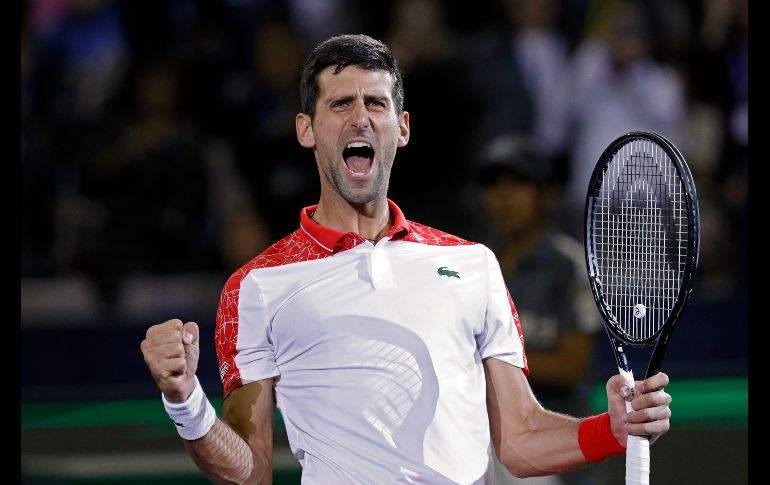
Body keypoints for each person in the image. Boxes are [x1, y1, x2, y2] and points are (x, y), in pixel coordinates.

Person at [140, 34, 671, 484]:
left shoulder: (474, 265)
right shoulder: (257, 285)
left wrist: (612, 430)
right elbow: (249, 469)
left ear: (403, 127)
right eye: (340, 104)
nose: (360, 120)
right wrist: (187, 401)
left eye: (376, 104)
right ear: (307, 129)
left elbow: (519, 438)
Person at [476, 135, 600, 485]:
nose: (503, 198)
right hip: (487, 440)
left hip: (553, 443)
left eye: (517, 185)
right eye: (493, 186)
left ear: (545, 194)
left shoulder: (570, 265)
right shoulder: (474, 260)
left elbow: (573, 366)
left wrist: (492, 362)